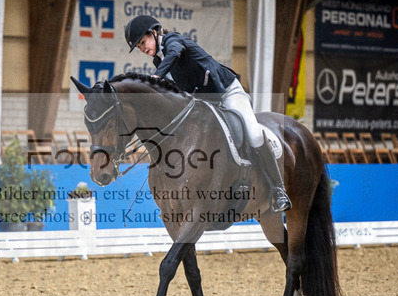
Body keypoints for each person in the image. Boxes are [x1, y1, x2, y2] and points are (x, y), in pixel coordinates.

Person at [124, 15, 291, 212]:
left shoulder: (173, 41)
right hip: (205, 102)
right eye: (139, 47)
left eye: (143, 42)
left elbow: (175, 52)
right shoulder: (158, 60)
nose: (142, 48)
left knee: (254, 135)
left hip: (227, 92)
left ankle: (278, 189)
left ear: (154, 33)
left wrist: (156, 76)